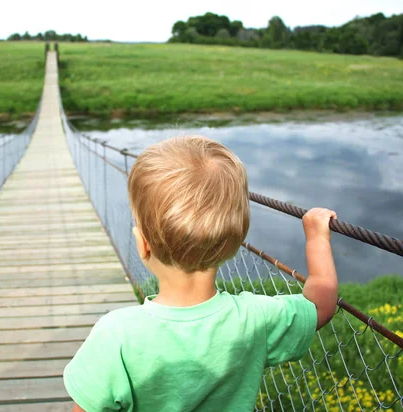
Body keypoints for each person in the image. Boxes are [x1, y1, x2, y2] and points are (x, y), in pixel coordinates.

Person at [63, 136, 338, 411]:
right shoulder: (255, 319)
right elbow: (321, 305)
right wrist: (317, 238)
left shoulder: (116, 335)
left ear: (143, 245)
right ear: (234, 240)